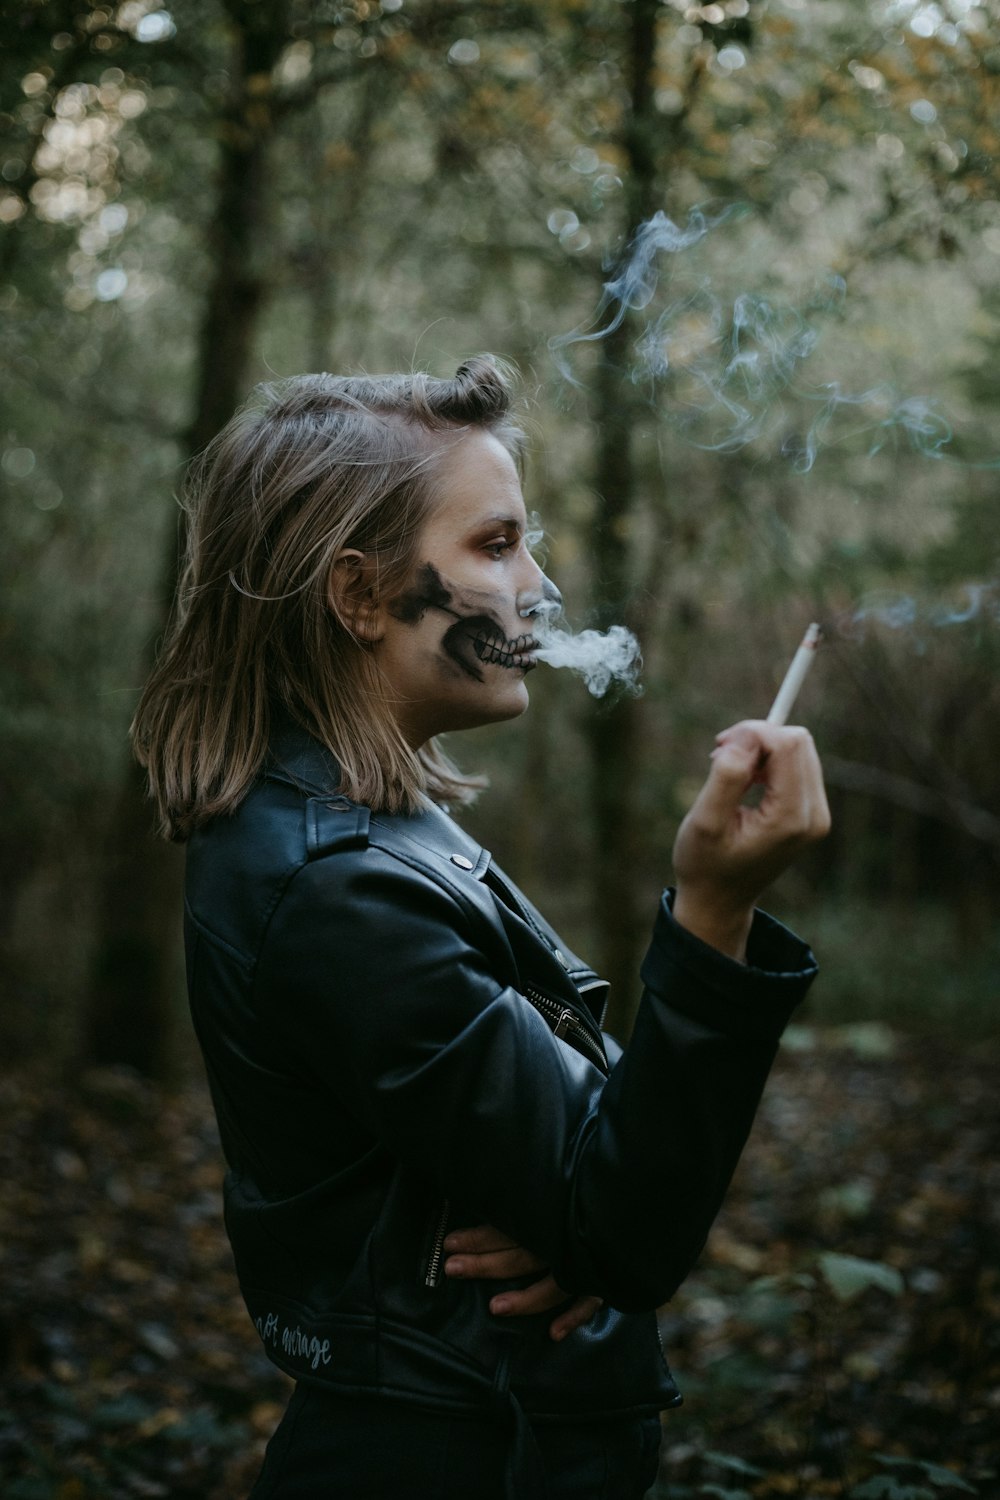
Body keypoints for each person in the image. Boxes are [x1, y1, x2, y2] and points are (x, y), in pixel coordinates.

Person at [132, 356, 830, 1500]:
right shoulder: (335, 883)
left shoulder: (366, 827)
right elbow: (627, 1224)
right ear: (358, 594)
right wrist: (713, 912)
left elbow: (595, 1170)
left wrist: (574, 1205)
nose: (540, 589)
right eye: (497, 547)